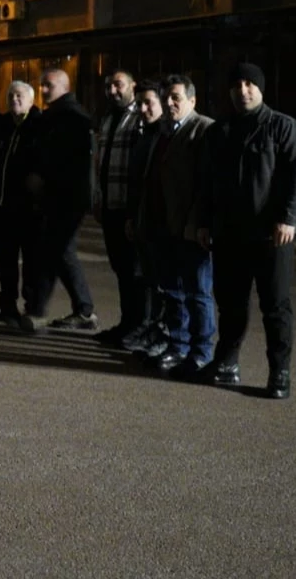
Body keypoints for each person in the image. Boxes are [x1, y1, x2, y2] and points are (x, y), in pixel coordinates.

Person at [197, 63, 296, 399]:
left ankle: (279, 373)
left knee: (275, 306)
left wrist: (289, 218)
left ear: (261, 88)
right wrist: (204, 221)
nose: (243, 90)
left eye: (250, 84)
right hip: (229, 235)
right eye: (237, 84)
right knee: (231, 304)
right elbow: (206, 182)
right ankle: (226, 363)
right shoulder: (219, 132)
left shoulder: (283, 127)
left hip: (271, 236)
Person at [135, 75, 216, 379]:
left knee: (198, 293)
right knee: (172, 292)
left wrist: (201, 223)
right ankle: (178, 345)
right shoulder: (165, 131)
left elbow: (207, 184)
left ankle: (201, 353)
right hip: (163, 227)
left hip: (190, 228)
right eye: (166, 97)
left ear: (192, 100)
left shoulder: (203, 129)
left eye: (176, 98)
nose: (169, 103)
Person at [20, 68, 98, 334]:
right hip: (58, 196)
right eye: (41, 85)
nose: (42, 90)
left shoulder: (71, 117)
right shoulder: (56, 115)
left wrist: (42, 176)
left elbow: (67, 159)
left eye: (48, 85)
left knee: (52, 252)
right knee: (61, 252)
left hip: (66, 196)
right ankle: (83, 309)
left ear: (64, 86)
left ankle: (38, 310)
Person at [0, 81, 43, 323]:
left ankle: (32, 307)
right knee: (5, 259)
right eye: (10, 96)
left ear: (31, 100)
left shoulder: (39, 126)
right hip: (1, 206)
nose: (14, 100)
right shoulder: (1, 125)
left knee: (31, 261)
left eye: (19, 96)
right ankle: (7, 303)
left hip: (28, 208)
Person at [93, 70, 143, 346]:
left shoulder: (139, 116)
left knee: (135, 271)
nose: (112, 91)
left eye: (118, 85)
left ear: (132, 86)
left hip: (128, 207)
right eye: (108, 86)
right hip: (110, 204)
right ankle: (127, 323)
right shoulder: (109, 118)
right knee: (121, 269)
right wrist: (98, 198)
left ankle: (139, 326)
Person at [124, 80, 171, 357]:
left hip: (162, 221)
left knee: (164, 283)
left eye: (148, 103)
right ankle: (149, 327)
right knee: (148, 279)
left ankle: (163, 333)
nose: (143, 109)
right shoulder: (144, 135)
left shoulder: (166, 136)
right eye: (139, 104)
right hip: (144, 219)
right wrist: (132, 216)